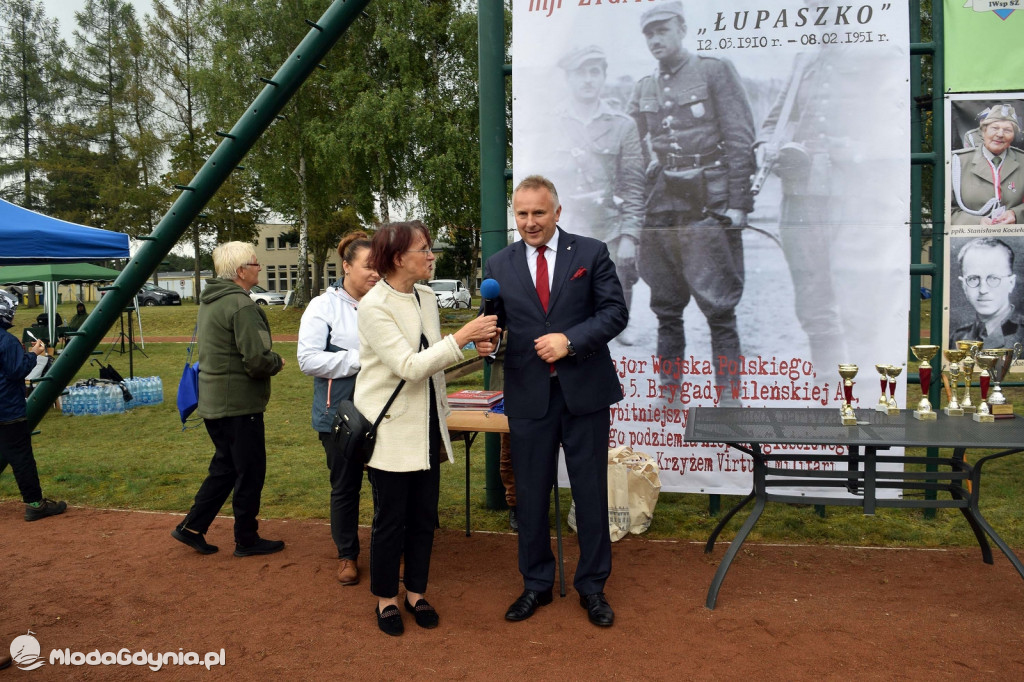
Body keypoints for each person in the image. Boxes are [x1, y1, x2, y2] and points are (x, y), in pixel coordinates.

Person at [477, 175, 628, 628]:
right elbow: (495, 320)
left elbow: (614, 312)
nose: (529, 222)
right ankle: (536, 584)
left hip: (584, 394)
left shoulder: (590, 253)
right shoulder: (498, 263)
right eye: (521, 214)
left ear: (557, 212)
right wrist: (489, 339)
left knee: (589, 492)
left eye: (538, 213)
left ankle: (593, 588)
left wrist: (570, 340)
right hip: (528, 396)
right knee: (529, 494)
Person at [355, 221, 496, 636]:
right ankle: (386, 599)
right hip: (391, 430)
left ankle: (416, 593)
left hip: (428, 426)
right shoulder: (373, 305)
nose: (431, 256)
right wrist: (464, 336)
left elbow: (434, 358)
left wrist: (477, 344)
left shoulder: (426, 296)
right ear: (399, 258)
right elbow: (409, 367)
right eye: (424, 249)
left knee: (423, 518)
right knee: (390, 520)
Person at [627, 1, 755, 398]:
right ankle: (669, 393)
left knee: (720, 307)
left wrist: (737, 204)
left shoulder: (714, 71)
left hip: (709, 204)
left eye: (662, 30)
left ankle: (729, 395)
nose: (655, 39)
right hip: (662, 206)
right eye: (649, 33)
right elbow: (633, 149)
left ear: (681, 28)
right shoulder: (644, 88)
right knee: (665, 307)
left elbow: (739, 139)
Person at [171, 242, 286, 558]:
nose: (259, 267)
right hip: (239, 405)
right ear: (241, 271)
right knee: (249, 471)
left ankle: (192, 527)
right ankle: (246, 539)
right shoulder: (241, 305)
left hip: (214, 402)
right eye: (255, 262)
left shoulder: (212, 301)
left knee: (225, 467)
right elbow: (257, 360)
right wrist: (277, 361)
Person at [754, 47, 850, 377]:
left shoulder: (869, 59)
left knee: (856, 291)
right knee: (811, 293)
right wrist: (766, 146)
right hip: (801, 194)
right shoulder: (804, 60)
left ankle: (863, 387)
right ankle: (830, 385)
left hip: (852, 196)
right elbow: (773, 121)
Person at [547, 45, 645, 345]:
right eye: (580, 73)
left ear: (603, 77)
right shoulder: (551, 123)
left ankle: (620, 324)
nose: (588, 80)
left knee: (621, 275)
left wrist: (630, 234)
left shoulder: (622, 125)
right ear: (569, 78)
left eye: (594, 72)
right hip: (568, 225)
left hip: (610, 223)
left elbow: (633, 185)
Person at [297, 231, 379, 586]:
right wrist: (363, 360)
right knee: (345, 487)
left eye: (380, 266)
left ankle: (389, 550)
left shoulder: (386, 302)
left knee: (386, 487)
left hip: (383, 412)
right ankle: (347, 554)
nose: (376, 274)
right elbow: (308, 359)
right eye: (368, 267)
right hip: (339, 416)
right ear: (346, 266)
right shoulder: (323, 306)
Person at [0, 289, 68, 522]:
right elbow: (17, 371)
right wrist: (33, 354)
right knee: (21, 458)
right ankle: (35, 503)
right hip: (7, 408)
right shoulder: (6, 341)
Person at [951, 104, 1024, 226]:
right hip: (968, 240)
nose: (1000, 134)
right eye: (995, 128)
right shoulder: (958, 162)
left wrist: (1016, 214)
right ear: (983, 132)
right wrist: (977, 222)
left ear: (1013, 136)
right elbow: (945, 210)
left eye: (1007, 130)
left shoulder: (1022, 161)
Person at [949, 237, 1024, 348]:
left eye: (994, 278)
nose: (983, 290)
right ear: (963, 285)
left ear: (1011, 283)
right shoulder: (957, 337)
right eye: (973, 279)